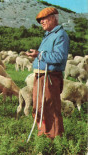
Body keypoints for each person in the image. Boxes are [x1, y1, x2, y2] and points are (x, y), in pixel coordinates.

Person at [26, 7, 69, 140]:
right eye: (40, 21)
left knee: (50, 108)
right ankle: (44, 134)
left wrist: (39, 54)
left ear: (53, 18)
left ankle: (54, 138)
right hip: (41, 76)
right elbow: (48, 55)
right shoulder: (49, 35)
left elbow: (59, 57)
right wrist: (37, 55)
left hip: (49, 77)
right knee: (40, 107)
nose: (41, 23)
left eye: (44, 19)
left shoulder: (60, 35)